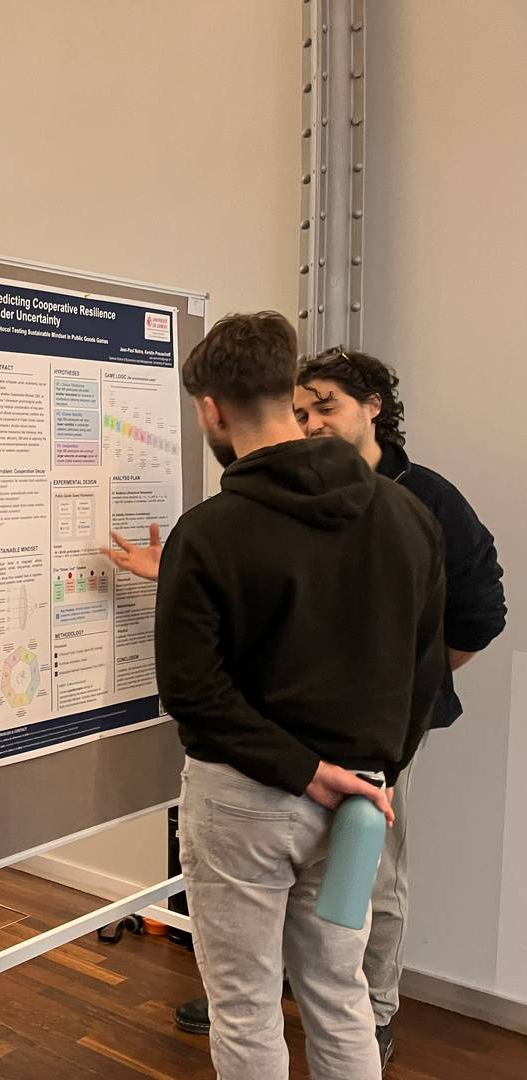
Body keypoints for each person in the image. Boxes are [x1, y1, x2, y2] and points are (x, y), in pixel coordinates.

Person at [136, 349, 509, 1068]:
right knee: (341, 996)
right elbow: (423, 668)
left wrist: (310, 772)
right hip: (357, 795)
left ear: (211, 410)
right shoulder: (408, 515)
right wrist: (377, 769)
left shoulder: (210, 529)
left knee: (244, 1007)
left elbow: (192, 693)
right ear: (290, 400)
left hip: (246, 796)